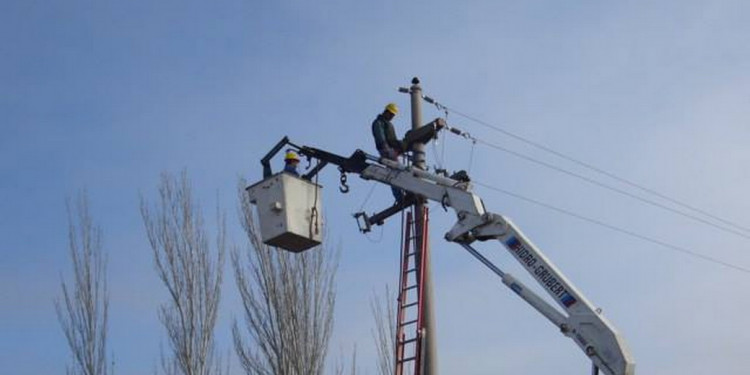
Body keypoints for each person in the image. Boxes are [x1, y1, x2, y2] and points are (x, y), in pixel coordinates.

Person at [371, 103, 404, 202]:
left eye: (393, 115)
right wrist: (386, 148)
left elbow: (392, 139)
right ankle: (400, 196)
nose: (391, 117)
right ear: (386, 112)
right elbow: (380, 136)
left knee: (397, 171)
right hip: (386, 149)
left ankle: (402, 192)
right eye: (391, 114)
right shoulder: (379, 123)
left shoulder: (388, 124)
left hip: (391, 150)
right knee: (395, 171)